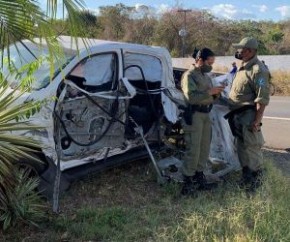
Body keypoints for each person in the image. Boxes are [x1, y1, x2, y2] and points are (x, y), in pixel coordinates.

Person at [227, 37, 271, 191]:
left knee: (252, 148)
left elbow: (262, 98)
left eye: (242, 49)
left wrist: (257, 121)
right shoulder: (243, 66)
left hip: (249, 116)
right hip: (237, 116)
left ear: (250, 51)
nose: (239, 51)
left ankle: (256, 182)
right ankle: (246, 177)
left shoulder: (258, 70)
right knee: (241, 147)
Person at [180, 48, 225, 195]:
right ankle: (187, 183)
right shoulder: (189, 76)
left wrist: (216, 93)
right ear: (200, 59)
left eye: (212, 62)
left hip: (206, 114)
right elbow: (191, 98)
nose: (211, 65)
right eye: (209, 62)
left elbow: (209, 97)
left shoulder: (205, 76)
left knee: (204, 148)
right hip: (194, 115)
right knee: (193, 149)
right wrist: (210, 92)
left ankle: (199, 178)